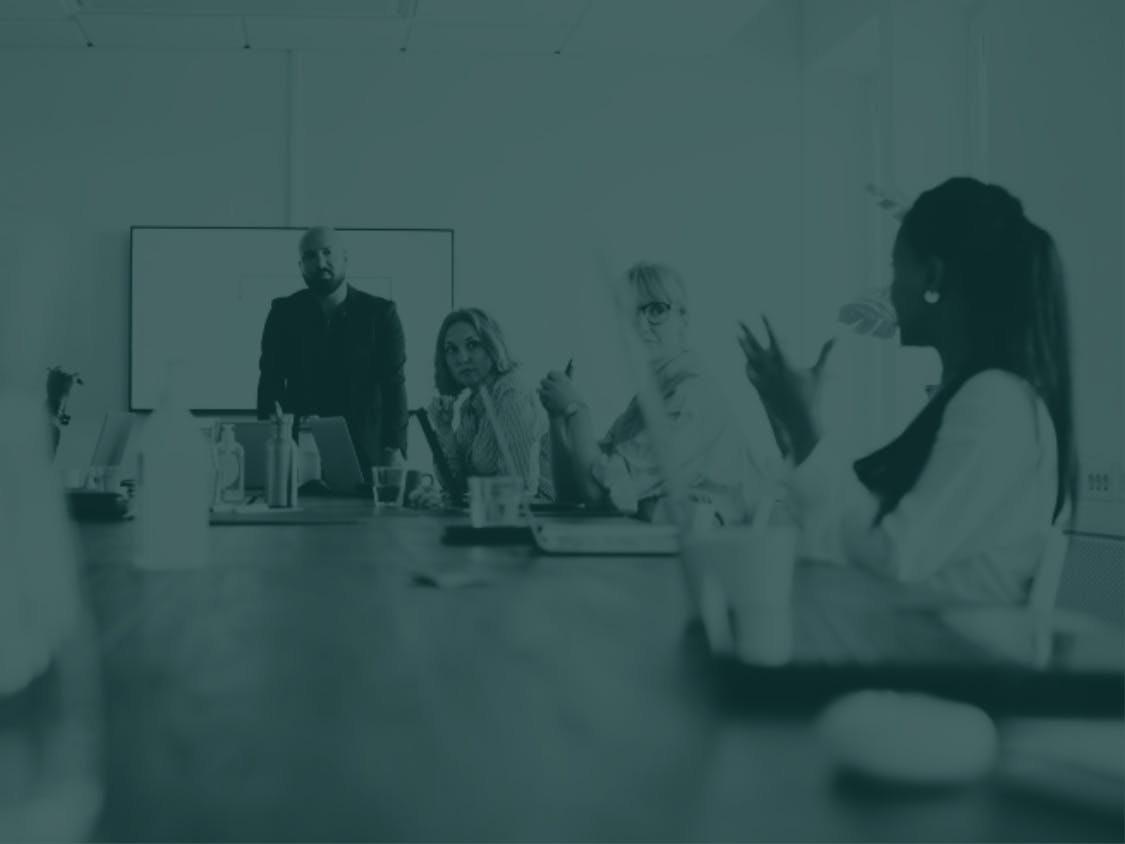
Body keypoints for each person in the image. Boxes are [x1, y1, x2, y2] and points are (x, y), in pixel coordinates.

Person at [739, 177, 1076, 605]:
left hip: (948, 660)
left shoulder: (995, 400)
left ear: (932, 276)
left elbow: (892, 553)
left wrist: (808, 432)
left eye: (896, 269)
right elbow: (845, 541)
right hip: (914, 644)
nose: (889, 290)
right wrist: (795, 431)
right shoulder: (973, 395)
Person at [539, 261, 766, 524]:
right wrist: (557, 418)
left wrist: (577, 411)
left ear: (684, 320)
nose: (640, 324)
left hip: (714, 556)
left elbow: (601, 496)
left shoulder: (689, 394)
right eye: (627, 312)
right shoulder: (649, 399)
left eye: (657, 309)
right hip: (675, 550)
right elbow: (572, 492)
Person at [256, 227, 407, 483]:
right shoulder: (283, 313)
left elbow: (394, 386)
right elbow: (269, 385)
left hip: (367, 459)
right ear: (301, 265)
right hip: (299, 460)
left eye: (328, 253)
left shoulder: (381, 314)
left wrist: (395, 449)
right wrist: (274, 449)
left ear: (345, 258)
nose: (320, 263)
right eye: (310, 256)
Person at [425, 308, 551, 500]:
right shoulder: (470, 405)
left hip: (538, 518)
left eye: (473, 345)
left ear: (493, 345)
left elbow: (519, 488)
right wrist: (444, 429)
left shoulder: (512, 394)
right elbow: (454, 484)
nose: (462, 358)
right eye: (452, 349)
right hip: (492, 515)